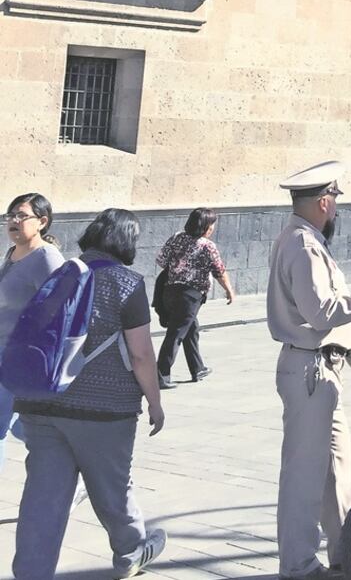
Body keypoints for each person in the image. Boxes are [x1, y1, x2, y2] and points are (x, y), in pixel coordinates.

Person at [12, 209, 167, 579]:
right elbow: (142, 354)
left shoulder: (62, 273)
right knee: (112, 489)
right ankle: (131, 551)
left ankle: (31, 573)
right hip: (104, 410)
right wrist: (156, 403)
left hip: (43, 403)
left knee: (42, 498)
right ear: (127, 240)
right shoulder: (127, 283)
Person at [267, 161, 351, 580]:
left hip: (322, 369)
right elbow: (321, 311)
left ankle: (345, 551)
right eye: (335, 199)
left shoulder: (304, 241)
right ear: (323, 201)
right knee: (304, 475)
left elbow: (323, 299)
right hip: (309, 370)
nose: (337, 207)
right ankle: (298, 565)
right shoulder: (302, 245)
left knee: (336, 466)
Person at [0, 193, 65, 473]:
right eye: (9, 215)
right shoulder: (12, 253)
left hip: (18, 359)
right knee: (20, 425)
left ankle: (67, 467)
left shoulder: (47, 257)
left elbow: (61, 308)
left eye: (21, 215)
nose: (13, 221)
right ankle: (67, 464)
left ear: (42, 222)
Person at [155, 208, 236, 389]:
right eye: (212, 224)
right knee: (175, 334)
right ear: (206, 226)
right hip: (190, 296)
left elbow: (161, 260)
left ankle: (197, 368)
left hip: (169, 291)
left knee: (191, 328)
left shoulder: (177, 237)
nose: (213, 228)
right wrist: (229, 289)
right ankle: (160, 374)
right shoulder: (207, 246)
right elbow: (219, 271)